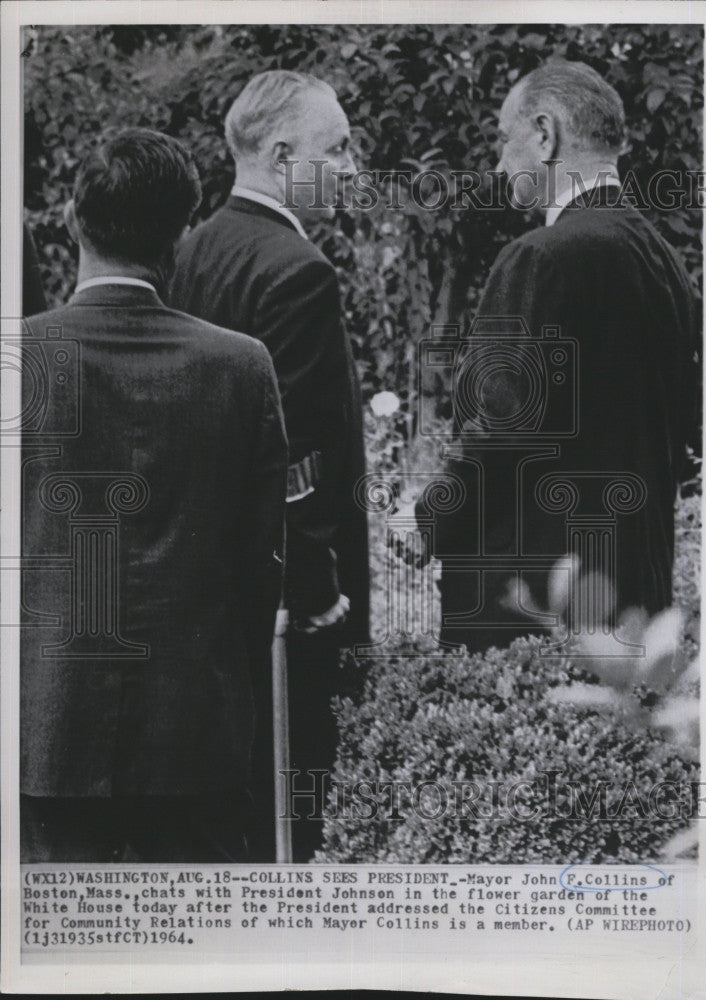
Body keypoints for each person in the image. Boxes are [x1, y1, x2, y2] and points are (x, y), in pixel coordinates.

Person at [21, 128, 288, 862]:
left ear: (72, 219)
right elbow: (259, 565)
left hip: (46, 732)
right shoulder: (241, 368)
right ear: (183, 231)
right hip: (196, 734)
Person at [428, 60, 698, 653]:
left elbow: (500, 424)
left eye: (504, 140)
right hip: (635, 601)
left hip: (534, 600)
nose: (499, 165)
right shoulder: (664, 262)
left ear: (545, 135)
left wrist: (428, 518)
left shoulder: (541, 257)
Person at [168, 70, 369, 860]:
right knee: (294, 810)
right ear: (284, 156)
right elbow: (300, 459)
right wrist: (315, 594)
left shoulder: (194, 251)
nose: (353, 168)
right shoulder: (298, 271)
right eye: (340, 149)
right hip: (288, 605)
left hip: (206, 590)